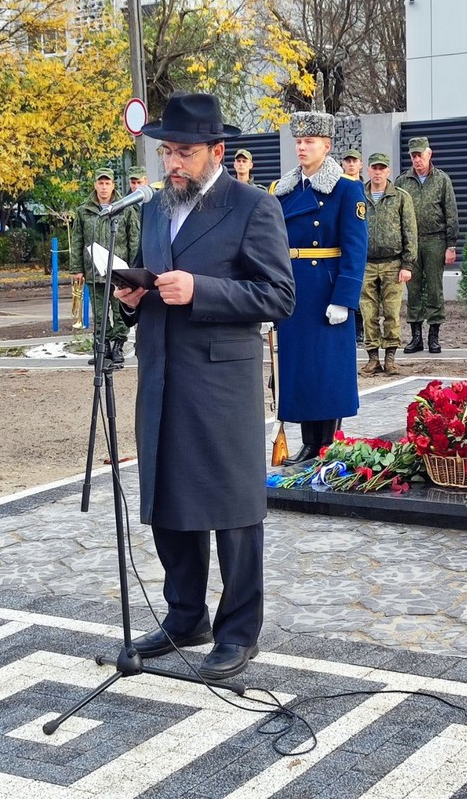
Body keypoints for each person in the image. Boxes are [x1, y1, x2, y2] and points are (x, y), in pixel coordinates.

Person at [113, 92, 295, 680]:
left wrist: (201, 290)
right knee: (170, 498)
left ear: (217, 151)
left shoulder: (253, 206)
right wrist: (132, 299)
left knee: (232, 507)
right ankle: (185, 615)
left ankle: (238, 631)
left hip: (221, 382)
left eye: (184, 153)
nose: (172, 163)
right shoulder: (154, 209)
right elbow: (151, 283)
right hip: (162, 374)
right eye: (166, 152)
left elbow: (279, 295)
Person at [271, 111, 368, 463]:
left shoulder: (346, 188)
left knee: (326, 371)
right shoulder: (283, 190)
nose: (302, 147)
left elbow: (356, 248)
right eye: (298, 141)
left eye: (309, 141)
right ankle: (309, 443)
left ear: (326, 146)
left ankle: (326, 445)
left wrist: (345, 297)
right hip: (293, 289)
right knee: (299, 369)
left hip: (326, 289)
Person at [70, 167, 140, 364]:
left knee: (119, 311)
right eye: (100, 183)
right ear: (95, 185)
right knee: (99, 313)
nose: (103, 187)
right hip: (94, 270)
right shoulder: (84, 211)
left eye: (107, 183)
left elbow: (134, 241)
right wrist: (76, 268)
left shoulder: (125, 208)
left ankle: (118, 345)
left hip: (119, 270)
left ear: (113, 185)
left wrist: (134, 270)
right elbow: (77, 240)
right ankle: (104, 347)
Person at [395, 136, 458, 354]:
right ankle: (416, 337)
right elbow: (396, 214)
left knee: (434, 289)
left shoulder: (442, 180)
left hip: (435, 240)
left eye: (420, 155)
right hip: (411, 242)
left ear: (429, 154)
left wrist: (451, 245)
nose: (417, 160)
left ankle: (434, 336)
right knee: (413, 290)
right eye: (413, 156)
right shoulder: (402, 182)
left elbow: (451, 213)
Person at [360, 153, 417, 376]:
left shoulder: (401, 197)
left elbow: (410, 231)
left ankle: (391, 359)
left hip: (393, 263)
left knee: (392, 312)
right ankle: (373, 359)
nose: (378, 172)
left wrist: (407, 264)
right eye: (374, 168)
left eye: (382, 168)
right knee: (368, 313)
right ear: (368, 170)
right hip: (365, 264)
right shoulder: (358, 196)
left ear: (388, 171)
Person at [342, 149, 365, 342]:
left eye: (354, 161)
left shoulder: (364, 189)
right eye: (347, 161)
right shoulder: (339, 188)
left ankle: (363, 329)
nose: (351, 164)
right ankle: (356, 330)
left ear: (360, 165)